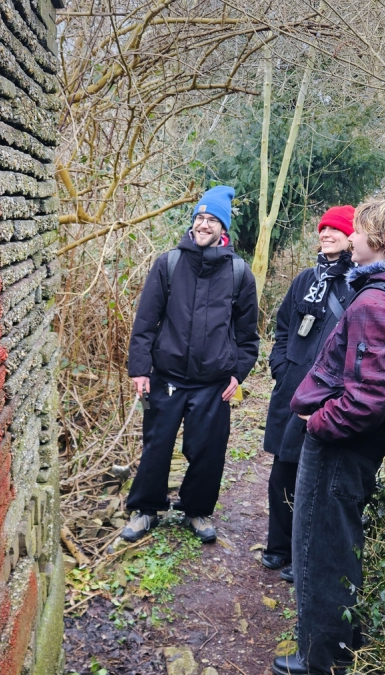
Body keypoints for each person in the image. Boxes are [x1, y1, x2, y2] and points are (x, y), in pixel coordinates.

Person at [272, 197, 385, 675]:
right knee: (339, 541)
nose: (350, 238)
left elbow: (367, 398)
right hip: (357, 447)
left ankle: (320, 659)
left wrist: (317, 423)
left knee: (319, 548)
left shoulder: (375, 301)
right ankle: (344, 641)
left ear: (382, 240)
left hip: (339, 446)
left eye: (359, 231)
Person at [121, 185, 260, 544]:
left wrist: (237, 372)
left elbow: (248, 336)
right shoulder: (168, 264)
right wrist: (139, 369)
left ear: (222, 231)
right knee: (156, 444)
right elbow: (145, 322)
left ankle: (196, 510)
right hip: (166, 376)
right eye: (199, 217)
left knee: (207, 449)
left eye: (211, 220)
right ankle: (145, 509)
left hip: (213, 382)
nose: (202, 224)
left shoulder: (240, 273)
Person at [261, 206, 356, 583]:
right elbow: (283, 326)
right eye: (324, 229)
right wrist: (280, 366)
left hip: (326, 399)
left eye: (336, 229)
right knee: (281, 472)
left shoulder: (357, 285)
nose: (327, 234)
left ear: (352, 237)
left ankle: (302, 559)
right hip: (291, 390)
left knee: (312, 478)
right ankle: (277, 547)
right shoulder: (305, 279)